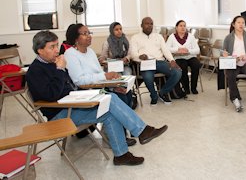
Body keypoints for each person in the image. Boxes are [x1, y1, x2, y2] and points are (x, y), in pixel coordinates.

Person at [26, 30, 168, 166]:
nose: (57, 50)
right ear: (40, 50)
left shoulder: (53, 63)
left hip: (72, 104)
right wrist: (60, 70)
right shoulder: (36, 70)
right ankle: (142, 131)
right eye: (52, 47)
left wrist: (91, 93)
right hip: (59, 114)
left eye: (57, 45)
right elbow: (51, 95)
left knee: (109, 110)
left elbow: (70, 87)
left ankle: (121, 155)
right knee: (110, 99)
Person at [64, 24, 136, 144]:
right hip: (85, 92)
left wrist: (114, 83)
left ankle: (127, 129)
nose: (89, 36)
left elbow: (99, 73)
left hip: (97, 87)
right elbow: (79, 81)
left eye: (89, 33)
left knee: (125, 92)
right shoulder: (70, 54)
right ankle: (121, 135)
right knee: (119, 98)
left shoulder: (91, 52)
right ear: (75, 38)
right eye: (84, 33)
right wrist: (105, 77)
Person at [131, 17, 182, 105]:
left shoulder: (158, 36)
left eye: (151, 24)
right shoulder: (135, 38)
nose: (149, 26)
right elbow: (132, 53)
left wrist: (172, 60)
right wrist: (139, 56)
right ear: (141, 25)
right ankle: (154, 96)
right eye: (147, 23)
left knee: (177, 72)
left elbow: (165, 50)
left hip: (160, 62)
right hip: (146, 63)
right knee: (148, 77)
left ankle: (163, 93)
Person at [222, 16, 246, 112]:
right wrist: (225, 54)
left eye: (243, 23)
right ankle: (235, 99)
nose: (241, 24)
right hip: (234, 63)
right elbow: (223, 51)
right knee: (230, 74)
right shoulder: (228, 38)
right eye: (239, 22)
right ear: (233, 24)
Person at [166, 20, 201, 95]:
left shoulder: (191, 36)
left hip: (190, 56)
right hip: (178, 57)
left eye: (184, 26)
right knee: (183, 66)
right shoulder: (172, 37)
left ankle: (193, 87)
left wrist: (188, 50)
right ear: (176, 27)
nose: (183, 27)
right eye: (180, 26)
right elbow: (166, 49)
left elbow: (197, 50)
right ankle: (186, 88)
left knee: (196, 64)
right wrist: (177, 50)